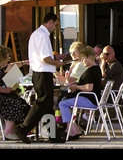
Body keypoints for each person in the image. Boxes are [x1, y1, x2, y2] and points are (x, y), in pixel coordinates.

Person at [15, 12, 66, 144]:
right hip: (43, 73)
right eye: (55, 25)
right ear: (50, 22)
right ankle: (23, 128)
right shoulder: (42, 35)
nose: (55, 28)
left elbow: (42, 56)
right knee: (42, 103)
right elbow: (45, 58)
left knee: (47, 105)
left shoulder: (36, 34)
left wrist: (56, 58)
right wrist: (58, 63)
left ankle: (52, 134)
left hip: (40, 73)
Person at [58, 46, 102, 140]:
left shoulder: (90, 71)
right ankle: (75, 128)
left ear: (89, 58)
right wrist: (77, 84)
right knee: (65, 102)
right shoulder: (96, 68)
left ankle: (72, 130)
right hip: (93, 98)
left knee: (62, 103)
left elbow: (89, 88)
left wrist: (76, 86)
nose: (82, 62)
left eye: (83, 59)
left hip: (89, 99)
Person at [0, 46, 30, 140]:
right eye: (8, 56)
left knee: (22, 103)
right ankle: (8, 131)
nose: (9, 59)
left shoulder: (2, 66)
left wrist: (25, 62)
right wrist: (4, 90)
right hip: (2, 95)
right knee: (13, 103)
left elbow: (12, 65)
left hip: (4, 94)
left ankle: (15, 129)